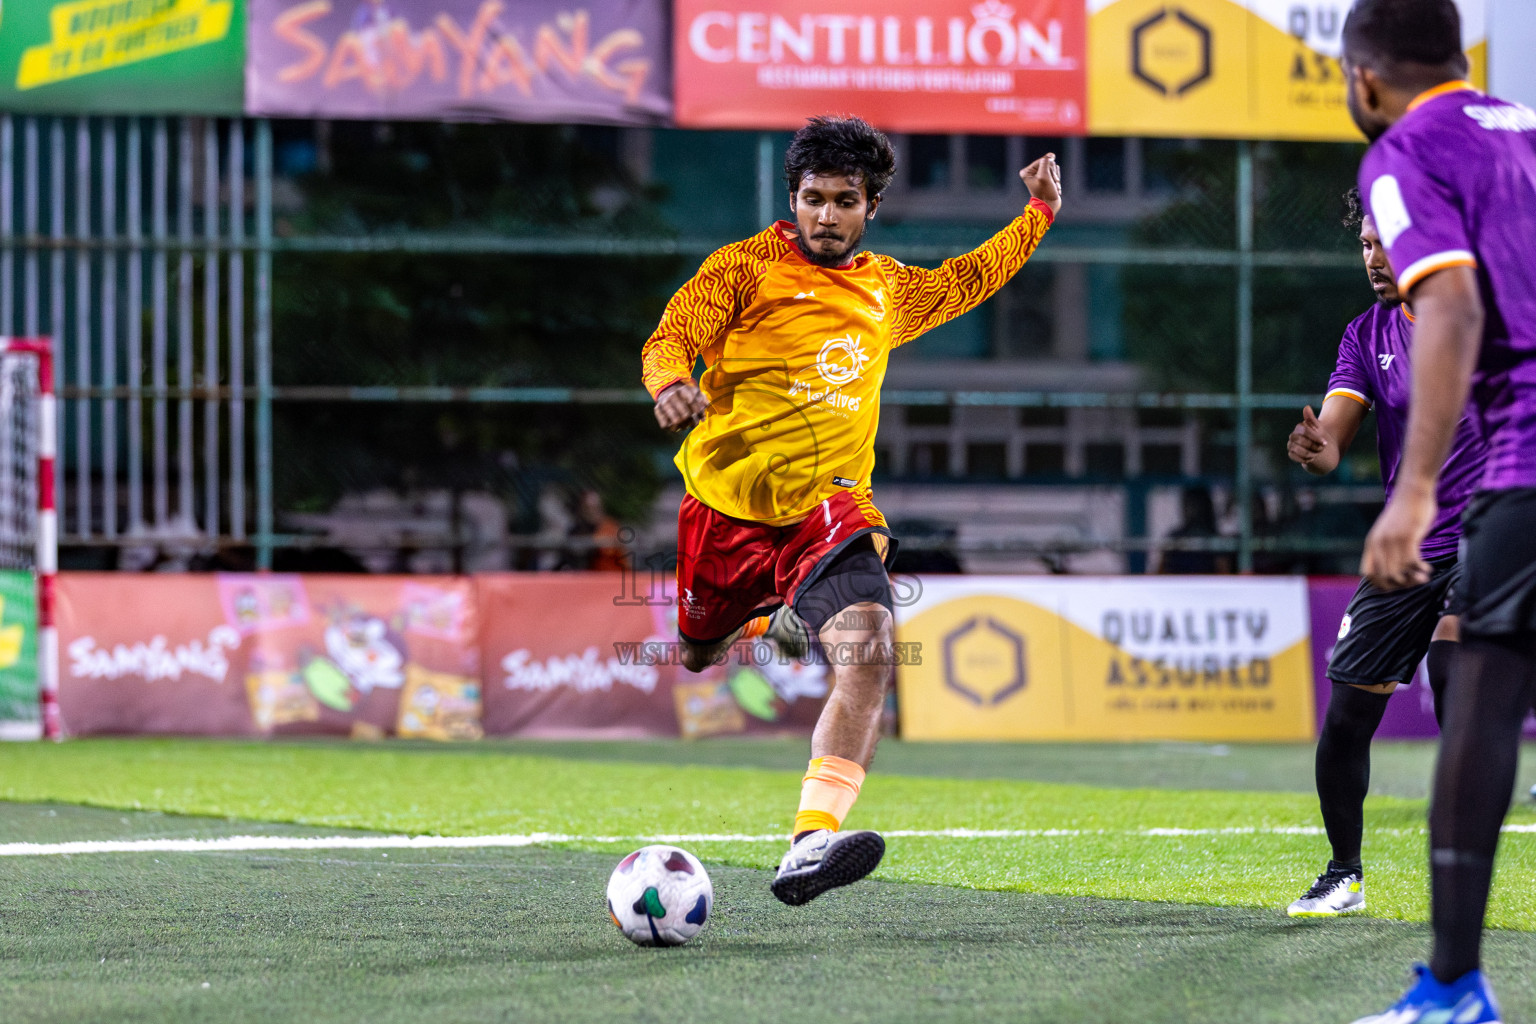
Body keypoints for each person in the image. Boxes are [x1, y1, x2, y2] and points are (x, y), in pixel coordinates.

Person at [641, 115, 1061, 906]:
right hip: (724, 512)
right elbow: (673, 335)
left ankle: (810, 841)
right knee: (698, 653)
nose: (826, 215)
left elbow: (970, 278)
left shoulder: (888, 289)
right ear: (791, 199)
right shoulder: (741, 269)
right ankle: (772, 618)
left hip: (829, 509)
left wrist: (1037, 215)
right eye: (812, 199)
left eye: (843, 201)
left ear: (872, 205)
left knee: (869, 652)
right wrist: (669, 384)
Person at [1342, 1, 1536, 1020]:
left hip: (1525, 461)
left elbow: (1450, 307)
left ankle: (1455, 987)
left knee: (1484, 702)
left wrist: (1413, 491)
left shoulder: (1408, 148)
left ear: (1366, 82)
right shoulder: (1527, 133)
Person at [1283, 187, 1486, 919]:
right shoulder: (1366, 333)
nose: (1373, 258)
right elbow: (1334, 435)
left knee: (1455, 667)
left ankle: (1462, 874)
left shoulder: (1486, 319)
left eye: (1386, 244)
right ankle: (1344, 873)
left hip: (1491, 531)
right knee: (1344, 721)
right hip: (1409, 544)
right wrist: (1317, 447)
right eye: (1364, 244)